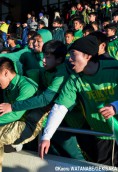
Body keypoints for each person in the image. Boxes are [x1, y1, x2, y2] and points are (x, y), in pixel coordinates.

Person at [40, 35, 118, 166]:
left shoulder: (114, 68)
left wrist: (115, 106)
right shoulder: (75, 78)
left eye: (73, 55)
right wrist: (46, 137)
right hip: (103, 135)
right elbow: (60, 107)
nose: (69, 60)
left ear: (88, 56)